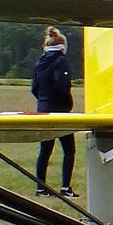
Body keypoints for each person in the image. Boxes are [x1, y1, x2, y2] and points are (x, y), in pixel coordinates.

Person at [32, 25, 77, 198]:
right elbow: (62, 85)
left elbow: (34, 88)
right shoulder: (61, 61)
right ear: (62, 46)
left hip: (43, 109)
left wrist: (43, 101)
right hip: (60, 110)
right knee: (69, 150)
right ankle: (66, 187)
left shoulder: (40, 62)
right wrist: (67, 103)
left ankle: (41, 187)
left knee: (45, 150)